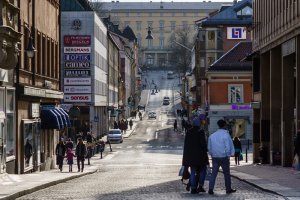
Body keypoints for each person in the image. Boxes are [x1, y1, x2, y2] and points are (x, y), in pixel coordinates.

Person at [207, 119, 236, 195]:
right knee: (226, 173)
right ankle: (228, 189)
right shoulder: (226, 135)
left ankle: (210, 188)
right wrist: (229, 155)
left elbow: (209, 148)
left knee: (214, 173)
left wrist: (212, 154)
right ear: (224, 125)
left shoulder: (212, 136)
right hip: (224, 157)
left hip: (215, 157)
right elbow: (228, 146)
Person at [182, 117, 209, 194]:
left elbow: (186, 145)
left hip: (190, 156)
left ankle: (193, 188)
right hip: (200, 156)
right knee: (203, 171)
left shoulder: (188, 132)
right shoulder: (201, 132)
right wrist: (206, 150)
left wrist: (185, 157)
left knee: (193, 171)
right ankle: (200, 186)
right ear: (199, 123)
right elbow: (203, 144)